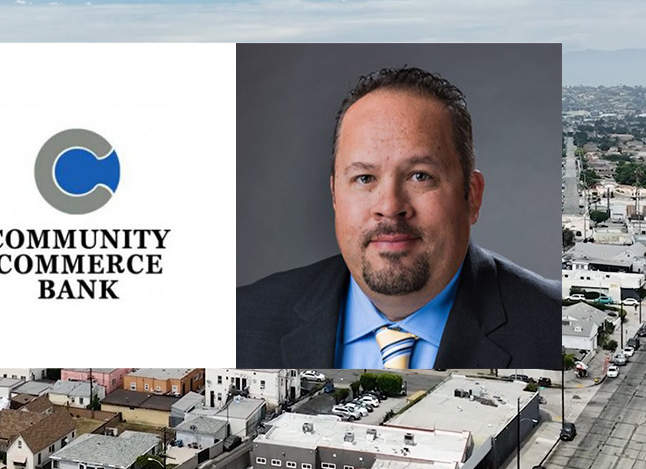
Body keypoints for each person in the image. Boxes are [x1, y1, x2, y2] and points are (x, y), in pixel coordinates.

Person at [236, 66, 561, 369]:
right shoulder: (242, 319)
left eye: (420, 176)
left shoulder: (553, 327)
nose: (390, 206)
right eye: (364, 178)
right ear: (335, 195)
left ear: (472, 196)